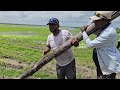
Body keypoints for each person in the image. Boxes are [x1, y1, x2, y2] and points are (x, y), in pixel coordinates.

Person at [81, 11, 120, 79]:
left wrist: (83, 32)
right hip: (102, 63)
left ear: (104, 20)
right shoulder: (103, 27)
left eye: (96, 20)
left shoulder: (109, 32)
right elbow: (94, 25)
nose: (94, 22)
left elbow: (90, 44)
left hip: (108, 66)